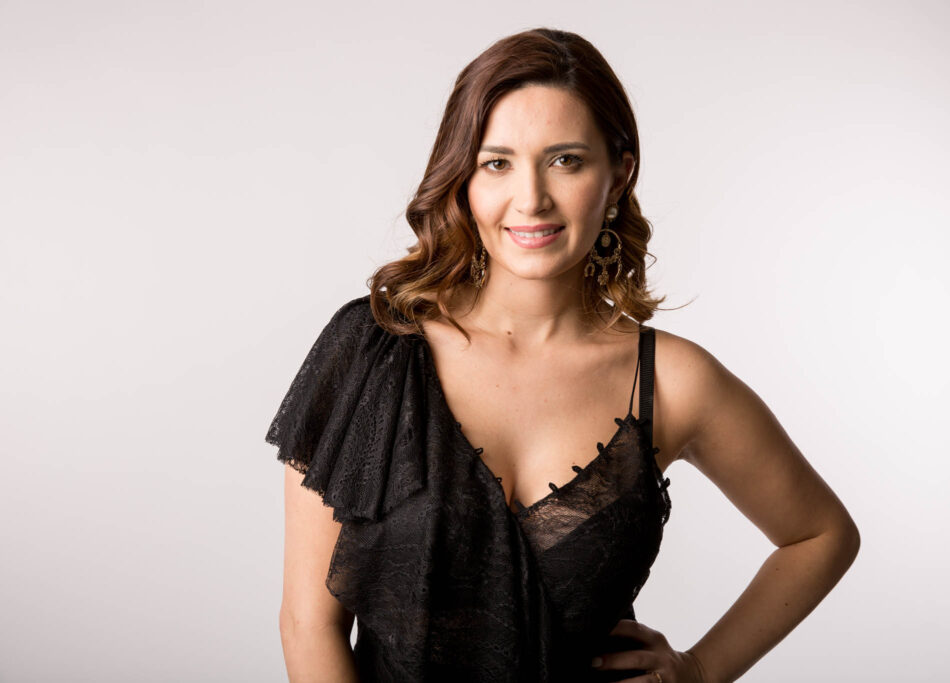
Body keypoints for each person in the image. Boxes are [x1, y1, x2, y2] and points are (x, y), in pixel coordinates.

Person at [267, 27, 860, 683]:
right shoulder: (372, 351)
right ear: (463, 178)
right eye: (497, 163)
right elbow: (309, 624)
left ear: (618, 174)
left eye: (566, 161)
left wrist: (699, 669)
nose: (531, 199)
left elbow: (821, 534)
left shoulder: (672, 382)